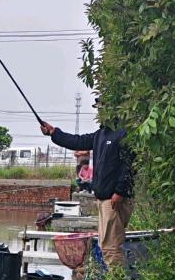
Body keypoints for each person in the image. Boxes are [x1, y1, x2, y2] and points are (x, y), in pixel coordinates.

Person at [39, 107, 134, 270]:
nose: (100, 113)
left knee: (111, 246)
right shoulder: (100, 134)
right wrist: (54, 133)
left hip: (114, 200)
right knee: (106, 244)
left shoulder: (123, 134)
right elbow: (78, 141)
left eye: (103, 109)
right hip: (103, 200)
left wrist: (120, 192)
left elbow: (129, 166)